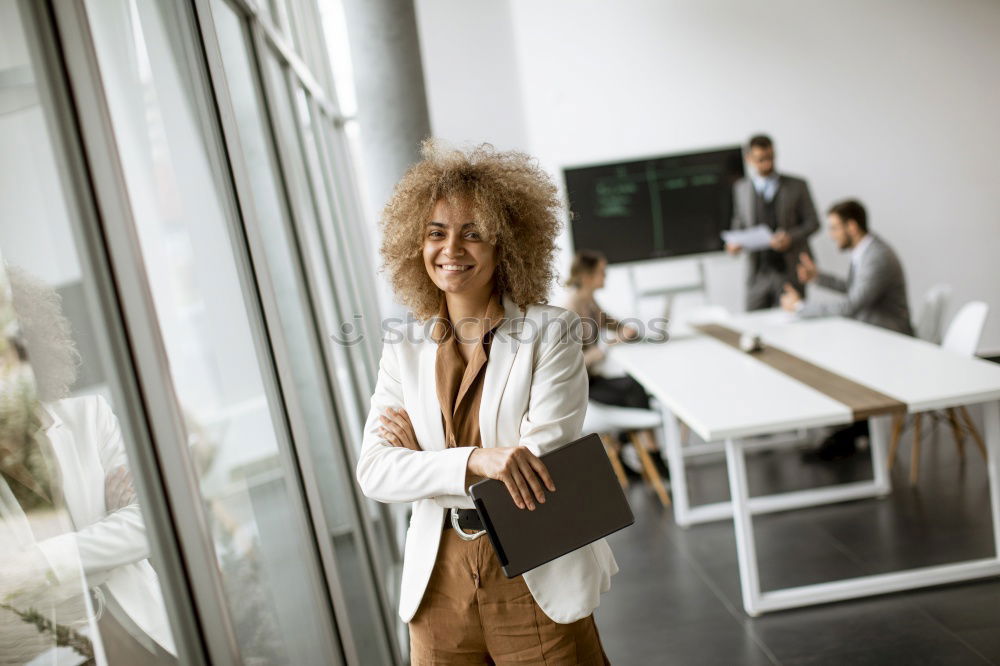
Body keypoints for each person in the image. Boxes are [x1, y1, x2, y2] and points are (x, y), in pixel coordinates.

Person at [356, 141, 616, 664]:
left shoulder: (551, 332)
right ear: (417, 242)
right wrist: (478, 459)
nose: (452, 247)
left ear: (506, 244)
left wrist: (427, 463)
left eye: (473, 232)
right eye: (436, 232)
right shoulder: (402, 346)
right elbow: (376, 472)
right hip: (439, 578)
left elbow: (534, 469)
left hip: (534, 563)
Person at [1, 266, 176, 662]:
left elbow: (147, 525)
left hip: (142, 635)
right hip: (45, 653)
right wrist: (105, 535)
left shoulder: (89, 417)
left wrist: (43, 562)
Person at [781, 199, 913, 459]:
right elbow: (856, 291)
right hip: (874, 333)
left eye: (834, 228)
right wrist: (818, 278)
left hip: (890, 338)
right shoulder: (865, 252)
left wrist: (800, 308)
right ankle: (852, 431)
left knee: (832, 356)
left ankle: (851, 433)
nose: (831, 235)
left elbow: (852, 304)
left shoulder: (877, 256)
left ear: (851, 227)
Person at [727, 134, 820, 310]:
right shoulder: (741, 188)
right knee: (753, 322)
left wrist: (790, 237)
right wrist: (734, 243)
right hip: (757, 272)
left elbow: (813, 222)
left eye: (770, 158)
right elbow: (739, 222)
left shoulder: (797, 185)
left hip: (789, 271)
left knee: (793, 324)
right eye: (760, 159)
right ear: (749, 159)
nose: (767, 164)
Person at [564, 249, 647, 410]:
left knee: (635, 385)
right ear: (587, 277)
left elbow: (615, 324)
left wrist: (628, 332)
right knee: (634, 391)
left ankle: (632, 435)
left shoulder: (590, 302)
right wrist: (612, 342)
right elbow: (571, 364)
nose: (605, 277)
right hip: (580, 389)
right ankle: (642, 435)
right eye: (602, 272)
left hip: (593, 380)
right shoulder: (569, 311)